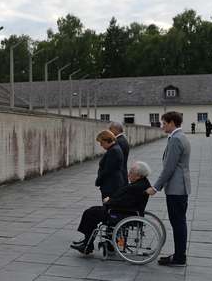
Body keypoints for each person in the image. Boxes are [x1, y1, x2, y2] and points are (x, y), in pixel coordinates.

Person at [71, 161, 152, 254]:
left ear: (138, 175)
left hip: (121, 213)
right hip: (126, 211)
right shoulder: (143, 183)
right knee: (93, 210)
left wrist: (109, 201)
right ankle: (87, 241)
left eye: (131, 173)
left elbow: (124, 202)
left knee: (89, 213)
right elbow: (126, 200)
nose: (128, 174)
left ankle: (87, 244)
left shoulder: (136, 187)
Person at [146, 111, 191, 267]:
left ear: (172, 123)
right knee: (179, 221)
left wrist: (155, 187)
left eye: (164, 123)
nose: (162, 125)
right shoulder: (180, 137)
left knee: (178, 222)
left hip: (176, 188)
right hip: (181, 187)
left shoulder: (175, 139)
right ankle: (179, 255)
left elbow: (169, 168)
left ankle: (179, 257)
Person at [94, 130, 126, 201]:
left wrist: (98, 180)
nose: (101, 145)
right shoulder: (114, 148)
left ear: (107, 140)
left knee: (108, 207)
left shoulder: (113, 151)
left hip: (111, 185)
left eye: (101, 142)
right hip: (112, 184)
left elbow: (107, 170)